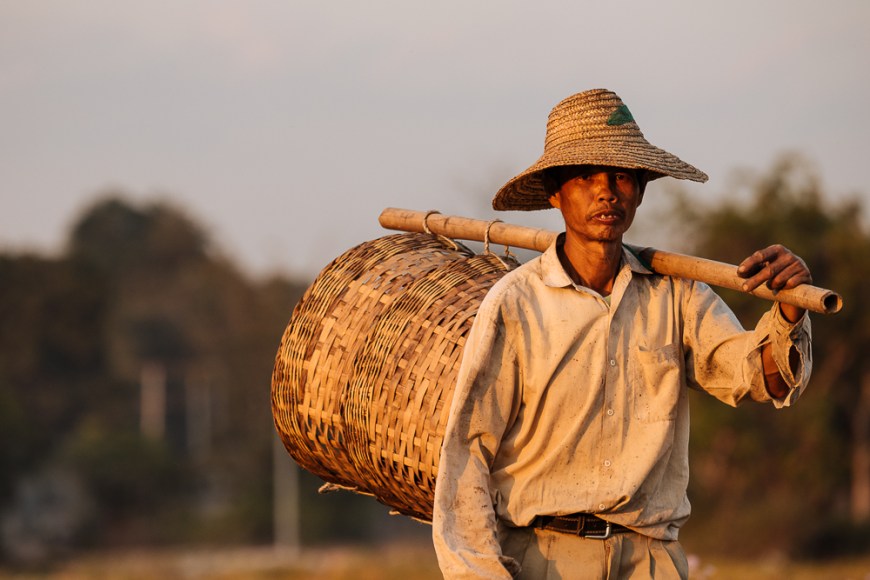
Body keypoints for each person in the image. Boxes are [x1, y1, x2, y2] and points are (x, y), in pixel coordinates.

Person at [431, 89, 813, 579]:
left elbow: (764, 379)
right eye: (586, 176)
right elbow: (467, 457)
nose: (606, 191)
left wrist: (787, 311)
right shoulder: (516, 304)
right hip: (543, 558)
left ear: (640, 190)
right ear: (554, 192)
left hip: (650, 561)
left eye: (621, 176)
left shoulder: (676, 295)